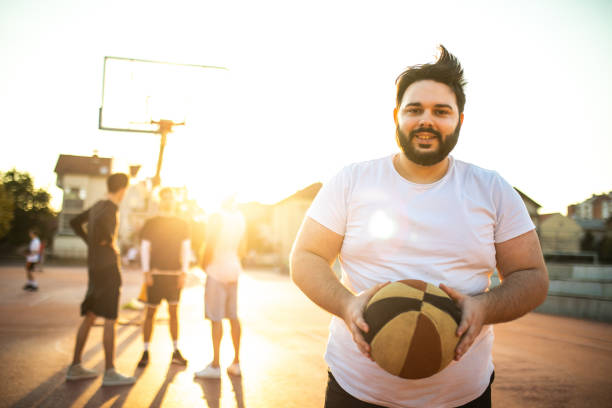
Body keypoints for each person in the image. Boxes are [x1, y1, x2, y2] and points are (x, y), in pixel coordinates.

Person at [290, 45, 549, 408]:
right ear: (397, 115)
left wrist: (484, 308)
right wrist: (347, 305)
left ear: (459, 119)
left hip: (462, 397)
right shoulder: (352, 180)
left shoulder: (492, 189)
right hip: (356, 392)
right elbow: (306, 256)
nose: (426, 120)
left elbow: (532, 275)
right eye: (415, 109)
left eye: (441, 111)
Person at [66, 173, 136, 387]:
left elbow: (75, 222)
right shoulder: (111, 208)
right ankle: (110, 371)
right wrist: (106, 243)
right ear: (123, 189)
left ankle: (75, 366)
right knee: (110, 319)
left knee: (90, 315)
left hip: (95, 268)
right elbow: (104, 237)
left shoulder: (97, 206)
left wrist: (92, 243)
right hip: (108, 270)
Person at [137, 187, 190, 367]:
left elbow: (186, 249)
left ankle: (176, 351)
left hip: (174, 276)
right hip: (156, 275)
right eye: (164, 198)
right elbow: (144, 247)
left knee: (174, 314)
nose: (167, 201)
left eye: (170, 198)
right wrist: (146, 272)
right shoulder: (152, 223)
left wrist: (184, 272)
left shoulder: (182, 224)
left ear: (175, 201)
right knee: (150, 314)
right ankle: (145, 352)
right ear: (160, 200)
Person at [195, 196, 246, 379]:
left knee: (216, 318)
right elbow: (243, 246)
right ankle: (236, 363)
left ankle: (216, 365)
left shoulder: (216, 216)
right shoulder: (240, 217)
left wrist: (204, 265)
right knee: (233, 316)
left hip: (217, 270)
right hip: (234, 268)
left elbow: (209, 243)